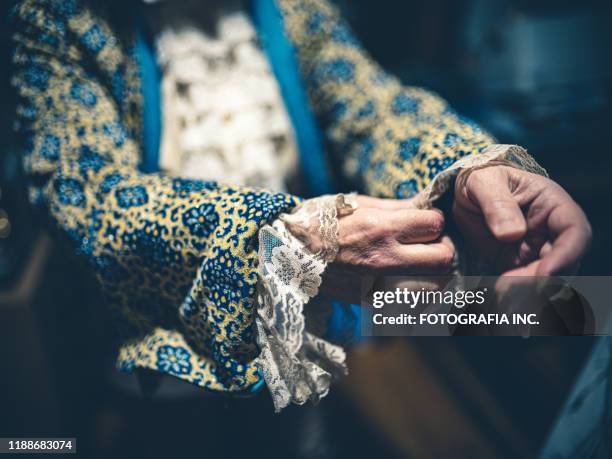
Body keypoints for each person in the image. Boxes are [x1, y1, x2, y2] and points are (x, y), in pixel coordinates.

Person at [9, 0, 591, 415]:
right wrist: (282, 246)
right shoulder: (53, 20)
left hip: (313, 347)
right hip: (156, 374)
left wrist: (471, 166)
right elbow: (88, 195)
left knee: (571, 310)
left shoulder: (295, 9)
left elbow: (371, 107)